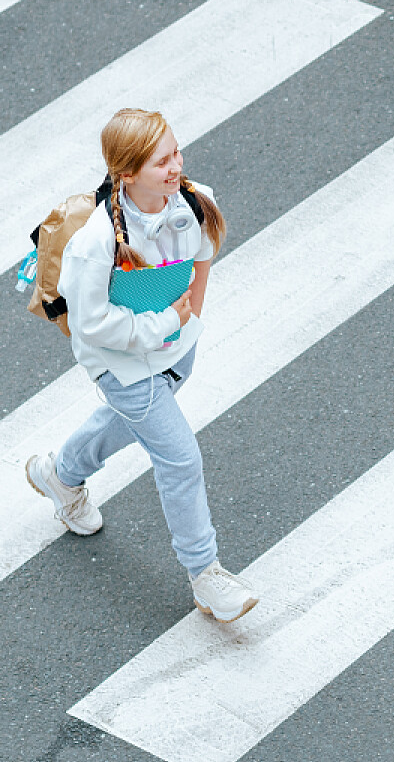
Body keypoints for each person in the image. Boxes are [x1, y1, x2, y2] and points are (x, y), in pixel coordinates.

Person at [22, 108, 259, 623]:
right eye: (161, 162)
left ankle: (61, 476)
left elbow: (204, 255)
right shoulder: (95, 245)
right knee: (179, 458)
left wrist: (188, 317)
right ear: (126, 174)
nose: (176, 167)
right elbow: (93, 327)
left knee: (134, 423)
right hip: (121, 365)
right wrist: (164, 326)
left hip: (175, 348)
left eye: (176, 152)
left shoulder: (196, 202)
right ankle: (206, 575)